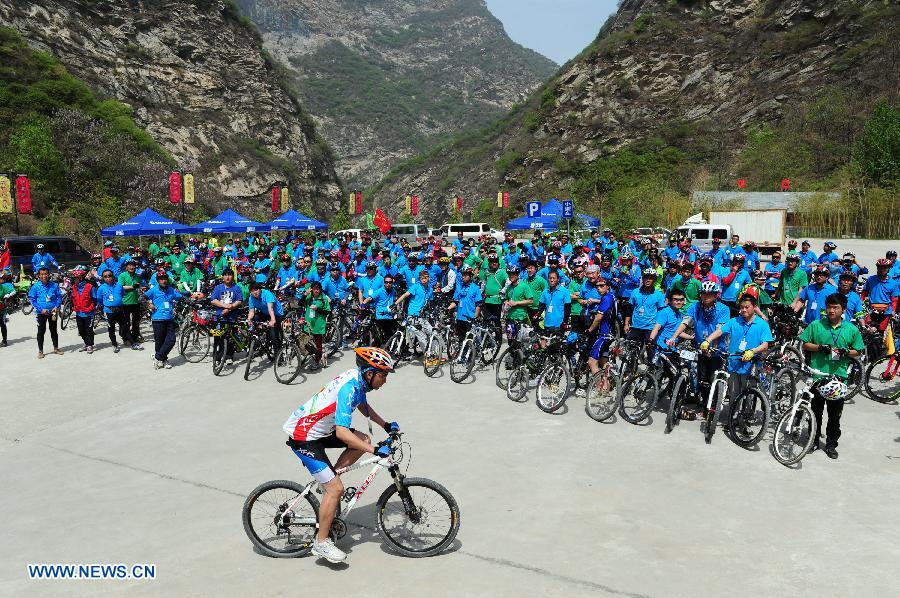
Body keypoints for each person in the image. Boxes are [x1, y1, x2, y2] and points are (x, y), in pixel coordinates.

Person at [282, 347, 397, 564]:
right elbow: (342, 432)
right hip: (304, 436)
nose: (385, 380)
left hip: (320, 430)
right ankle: (321, 542)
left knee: (363, 441)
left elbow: (361, 403)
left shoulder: (358, 379)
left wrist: (385, 424)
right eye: (383, 375)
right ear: (370, 373)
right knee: (336, 488)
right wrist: (375, 452)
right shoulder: (349, 388)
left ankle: (327, 479)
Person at [798, 293, 864, 459]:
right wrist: (819, 348)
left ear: (843, 309)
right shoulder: (816, 324)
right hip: (818, 376)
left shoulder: (851, 329)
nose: (831, 310)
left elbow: (859, 351)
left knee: (835, 415)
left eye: (836, 307)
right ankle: (813, 440)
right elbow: (805, 343)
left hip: (838, 378)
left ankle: (831, 444)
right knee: (815, 411)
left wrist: (846, 352)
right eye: (829, 307)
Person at [668, 281, 730, 418]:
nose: (706, 296)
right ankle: (701, 402)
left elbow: (720, 330)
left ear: (716, 295)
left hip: (716, 348)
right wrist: (673, 337)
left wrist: (712, 347)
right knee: (701, 377)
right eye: (704, 293)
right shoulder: (695, 306)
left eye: (710, 294)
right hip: (700, 346)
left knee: (712, 377)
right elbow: (685, 322)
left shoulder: (723, 309)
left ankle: (712, 405)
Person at [702, 294, 772, 401]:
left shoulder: (762, 324)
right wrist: (708, 340)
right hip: (734, 362)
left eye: (747, 307)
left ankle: (747, 414)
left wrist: (753, 351)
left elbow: (765, 344)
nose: (743, 310)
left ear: (754, 307)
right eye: (741, 307)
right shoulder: (734, 321)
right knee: (734, 395)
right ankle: (732, 416)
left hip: (751, 365)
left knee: (748, 396)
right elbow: (720, 331)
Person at [625, 268, 666, 360]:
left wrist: (658, 327)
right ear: (642, 278)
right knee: (631, 352)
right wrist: (626, 324)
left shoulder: (658, 295)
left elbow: (661, 312)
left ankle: (651, 371)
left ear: (654, 280)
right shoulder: (635, 291)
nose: (648, 280)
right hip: (636, 326)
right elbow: (629, 308)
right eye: (646, 277)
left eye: (650, 278)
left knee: (651, 352)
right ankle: (630, 370)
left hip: (650, 328)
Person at [144, 272, 183, 369]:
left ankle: (157, 357)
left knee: (171, 340)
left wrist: (191, 299)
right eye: (161, 279)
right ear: (158, 281)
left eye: (165, 278)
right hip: (157, 319)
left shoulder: (171, 290)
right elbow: (142, 297)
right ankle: (164, 359)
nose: (164, 280)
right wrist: (149, 304)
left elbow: (181, 297)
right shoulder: (153, 290)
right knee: (159, 340)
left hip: (169, 319)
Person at [209, 269, 245, 365]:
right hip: (219, 317)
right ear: (222, 277)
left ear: (233, 277)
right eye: (225, 275)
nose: (227, 277)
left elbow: (239, 301)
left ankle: (229, 356)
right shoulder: (218, 288)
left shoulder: (236, 288)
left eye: (229, 275)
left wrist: (231, 307)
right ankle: (217, 358)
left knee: (231, 337)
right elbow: (213, 300)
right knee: (217, 338)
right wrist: (225, 306)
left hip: (232, 317)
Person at [27, 267, 63, 357]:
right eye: (42, 274)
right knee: (41, 331)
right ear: (39, 276)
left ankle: (56, 348)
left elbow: (59, 297)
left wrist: (56, 306)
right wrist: (40, 309)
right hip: (41, 313)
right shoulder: (35, 287)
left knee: (53, 330)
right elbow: (32, 300)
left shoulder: (54, 285)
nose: (44, 276)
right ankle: (40, 351)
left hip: (53, 312)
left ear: (49, 274)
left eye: (46, 274)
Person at [248, 281, 286, 358]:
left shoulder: (267, 294)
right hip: (265, 313)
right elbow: (251, 311)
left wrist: (273, 320)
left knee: (273, 335)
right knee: (254, 319)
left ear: (260, 289)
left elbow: (270, 308)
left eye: (256, 289)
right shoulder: (251, 298)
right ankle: (259, 341)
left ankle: (278, 355)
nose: (254, 292)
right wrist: (249, 319)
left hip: (276, 314)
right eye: (252, 290)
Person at [97, 269, 130, 352]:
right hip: (109, 311)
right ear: (103, 278)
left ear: (113, 276)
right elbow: (99, 299)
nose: (108, 278)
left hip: (119, 310)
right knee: (111, 329)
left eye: (109, 275)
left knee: (124, 326)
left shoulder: (119, 285)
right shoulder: (101, 288)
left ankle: (126, 339)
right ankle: (114, 344)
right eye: (105, 276)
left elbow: (123, 294)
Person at [448, 265, 482, 339]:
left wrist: (475, 316)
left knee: (470, 341)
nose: (463, 277)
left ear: (470, 276)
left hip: (470, 318)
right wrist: (448, 308)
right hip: (460, 318)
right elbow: (455, 302)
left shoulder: (475, 288)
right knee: (460, 339)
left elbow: (479, 304)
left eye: (465, 275)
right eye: (462, 275)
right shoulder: (460, 287)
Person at [69, 266, 98, 353]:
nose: (74, 280)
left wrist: (94, 308)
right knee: (81, 331)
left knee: (89, 330)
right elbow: (73, 298)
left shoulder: (90, 287)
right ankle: (86, 343)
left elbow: (95, 299)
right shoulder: (74, 287)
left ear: (80, 278)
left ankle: (90, 345)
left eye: (75, 278)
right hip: (79, 313)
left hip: (89, 313)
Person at [118, 259, 144, 350]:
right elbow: (120, 287)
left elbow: (139, 286)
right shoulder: (122, 275)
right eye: (129, 265)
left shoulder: (137, 276)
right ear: (126, 267)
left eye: (133, 265)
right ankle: (126, 338)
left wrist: (142, 289)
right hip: (125, 303)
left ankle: (135, 336)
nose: (132, 267)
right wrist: (132, 287)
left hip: (136, 302)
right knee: (126, 322)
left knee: (136, 322)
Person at [0, 270, 15, 347]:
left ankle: (4, 340)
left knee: (2, 324)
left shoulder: (3, 287)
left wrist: (7, 296)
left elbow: (13, 291)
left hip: (2, 309)